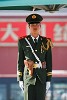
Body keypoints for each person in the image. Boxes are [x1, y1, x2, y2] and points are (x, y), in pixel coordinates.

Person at [17, 13, 52, 100]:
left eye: (37, 24)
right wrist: (20, 79)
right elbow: (20, 61)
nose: (35, 26)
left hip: (42, 77)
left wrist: (48, 80)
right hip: (28, 77)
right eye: (32, 24)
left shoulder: (46, 41)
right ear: (29, 26)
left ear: (40, 26)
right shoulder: (23, 41)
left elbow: (49, 62)